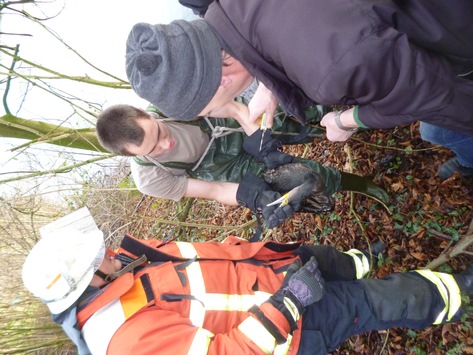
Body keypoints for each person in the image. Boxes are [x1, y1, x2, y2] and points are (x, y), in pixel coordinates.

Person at [125, 1, 473, 180]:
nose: (220, 109)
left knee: (436, 129)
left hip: (457, 39)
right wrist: (270, 84)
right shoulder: (230, 10)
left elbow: (436, 95)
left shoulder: (328, 72)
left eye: (210, 107)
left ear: (222, 81)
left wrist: (348, 119)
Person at [23, 229, 472, 355]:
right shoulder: (122, 340)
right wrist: (290, 303)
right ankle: (456, 296)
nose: (106, 250)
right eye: (95, 257)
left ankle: (362, 260)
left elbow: (200, 258)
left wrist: (266, 252)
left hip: (276, 273)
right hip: (293, 326)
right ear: (87, 283)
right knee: (373, 302)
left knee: (341, 266)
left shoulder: (125, 265)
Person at [96, 102, 389, 229]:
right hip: (224, 168)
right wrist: (255, 197)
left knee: (305, 120)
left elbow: (236, 109)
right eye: (153, 150)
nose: (165, 145)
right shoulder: (150, 178)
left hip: (235, 126)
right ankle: (363, 185)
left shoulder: (172, 103)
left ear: (146, 113)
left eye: (160, 133)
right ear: (134, 156)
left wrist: (263, 141)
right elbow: (214, 189)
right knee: (304, 177)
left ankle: (371, 119)